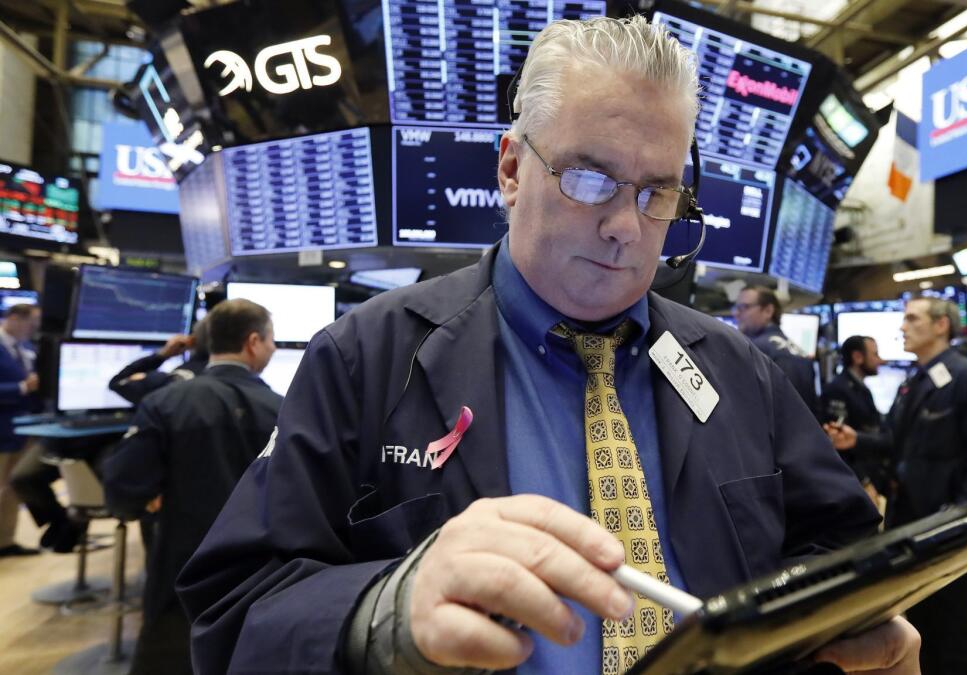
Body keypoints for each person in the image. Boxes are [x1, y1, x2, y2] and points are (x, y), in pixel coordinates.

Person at [178, 16, 918, 675]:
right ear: (510, 168)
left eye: (657, 191)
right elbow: (236, 610)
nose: (627, 226)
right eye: (591, 178)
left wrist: (848, 629)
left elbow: (839, 547)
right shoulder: (367, 356)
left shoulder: (738, 369)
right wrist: (386, 609)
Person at [825, 297, 967, 675]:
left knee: (955, 629)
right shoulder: (915, 381)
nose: (902, 327)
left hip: (950, 528)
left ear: (941, 326)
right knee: (923, 623)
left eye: (912, 319)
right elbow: (894, 439)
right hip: (912, 522)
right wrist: (855, 439)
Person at [103, 299, 282, 674]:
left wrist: (142, 503)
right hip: (262, 575)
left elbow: (122, 486)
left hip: (179, 571)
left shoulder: (165, 401)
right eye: (271, 341)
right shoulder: (286, 410)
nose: (273, 349)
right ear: (253, 342)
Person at [733, 286, 819, 413]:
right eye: (736, 308)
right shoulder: (801, 352)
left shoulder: (756, 349)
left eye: (744, 307)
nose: (736, 314)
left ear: (768, 311)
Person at [820, 335, 888, 495]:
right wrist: (863, 481)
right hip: (856, 483)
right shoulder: (837, 390)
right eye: (875, 354)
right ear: (858, 357)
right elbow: (837, 443)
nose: (880, 360)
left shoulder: (860, 388)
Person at [0, 304, 42, 557]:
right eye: (31, 323)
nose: (33, 329)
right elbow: (21, 385)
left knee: (13, 489)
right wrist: (22, 388)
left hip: (22, 430)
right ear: (15, 318)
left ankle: (5, 541)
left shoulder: (25, 348)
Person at [109, 319, 210, 405]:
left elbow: (117, 383)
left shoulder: (176, 380)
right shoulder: (221, 377)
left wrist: (163, 354)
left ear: (191, 341)